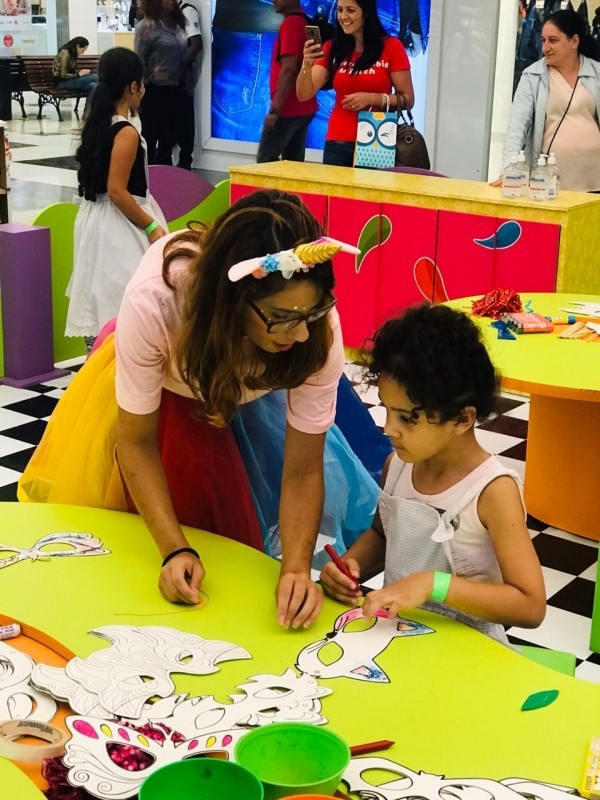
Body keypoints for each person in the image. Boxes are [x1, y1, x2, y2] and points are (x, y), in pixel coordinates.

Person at [18, 190, 381, 630]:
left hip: (250, 389)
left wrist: (295, 568)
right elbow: (135, 443)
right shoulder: (158, 300)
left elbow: (302, 469)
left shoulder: (310, 328)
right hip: (171, 396)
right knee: (172, 542)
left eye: (313, 314)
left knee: (241, 546)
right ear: (232, 300)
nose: (302, 335)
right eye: (281, 316)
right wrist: (174, 549)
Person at [320, 304, 546, 645]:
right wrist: (349, 565)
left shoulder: (492, 491)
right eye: (386, 409)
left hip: (471, 650)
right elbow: (383, 535)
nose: (389, 429)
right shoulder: (395, 467)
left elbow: (530, 605)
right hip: (399, 638)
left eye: (407, 418)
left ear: (462, 419)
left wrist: (433, 584)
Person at [65, 47, 167, 351]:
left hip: (96, 220)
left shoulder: (98, 125)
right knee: (124, 295)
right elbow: (118, 190)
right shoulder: (125, 132)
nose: (144, 90)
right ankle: (118, 369)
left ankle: (95, 363)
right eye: (142, 83)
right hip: (119, 226)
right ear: (133, 87)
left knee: (98, 295)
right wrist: (152, 227)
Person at [296, 0, 414, 167]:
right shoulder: (333, 48)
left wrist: (373, 99)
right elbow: (303, 94)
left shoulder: (391, 47)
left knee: (369, 193)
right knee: (334, 193)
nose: (343, 16)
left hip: (376, 140)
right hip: (337, 140)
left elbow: (408, 99)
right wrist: (306, 64)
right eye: (339, 10)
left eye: (350, 10)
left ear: (366, 13)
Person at [493, 9, 600, 192]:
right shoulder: (531, 76)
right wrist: (507, 172)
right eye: (543, 40)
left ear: (574, 41)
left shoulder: (597, 72)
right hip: (549, 184)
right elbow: (517, 127)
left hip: (595, 180)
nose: (545, 48)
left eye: (553, 40)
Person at [256, 0, 317, 163]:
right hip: (303, 107)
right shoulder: (303, 20)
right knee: (293, 164)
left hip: (288, 109)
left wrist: (275, 111)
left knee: (265, 164)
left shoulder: (292, 23)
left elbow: (289, 69)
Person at [135, 0, 188, 164]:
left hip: (175, 89)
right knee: (151, 135)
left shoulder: (177, 25)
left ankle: (164, 174)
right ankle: (147, 174)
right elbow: (139, 60)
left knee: (169, 135)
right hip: (153, 90)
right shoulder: (145, 27)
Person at [175, 0, 203, 169]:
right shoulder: (167, 12)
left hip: (180, 76)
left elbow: (196, 43)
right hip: (167, 78)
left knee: (184, 118)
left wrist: (179, 65)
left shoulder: (186, 11)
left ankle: (185, 160)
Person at [52, 36, 98, 117]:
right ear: (77, 46)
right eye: (82, 50)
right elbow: (63, 75)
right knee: (95, 77)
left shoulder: (71, 53)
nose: (82, 53)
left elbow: (70, 71)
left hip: (70, 81)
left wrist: (80, 73)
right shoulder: (65, 53)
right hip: (62, 83)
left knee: (93, 86)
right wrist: (78, 74)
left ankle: (87, 115)